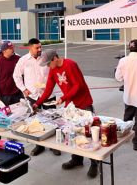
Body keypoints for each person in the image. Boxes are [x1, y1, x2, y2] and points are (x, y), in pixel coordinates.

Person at [33, 49, 98, 178]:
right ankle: (77, 159)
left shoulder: (70, 64)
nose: (47, 66)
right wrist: (37, 103)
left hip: (83, 103)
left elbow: (77, 86)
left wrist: (62, 98)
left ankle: (94, 163)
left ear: (54, 59)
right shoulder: (52, 70)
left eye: (48, 63)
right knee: (72, 133)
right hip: (71, 105)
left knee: (88, 135)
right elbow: (48, 89)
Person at [13, 38, 60, 156]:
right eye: (37, 47)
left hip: (48, 94)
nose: (40, 49)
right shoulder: (23, 60)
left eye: (40, 47)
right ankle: (39, 145)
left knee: (53, 119)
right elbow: (16, 76)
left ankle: (53, 145)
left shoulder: (45, 58)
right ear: (29, 48)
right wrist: (24, 89)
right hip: (33, 95)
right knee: (36, 122)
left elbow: (54, 71)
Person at [0, 41, 22, 106]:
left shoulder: (18, 59)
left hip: (18, 93)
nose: (13, 50)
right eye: (10, 48)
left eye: (12, 48)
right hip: (5, 96)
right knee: (7, 115)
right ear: (4, 51)